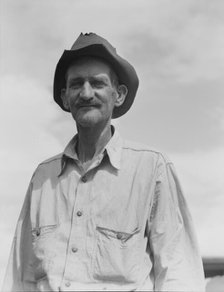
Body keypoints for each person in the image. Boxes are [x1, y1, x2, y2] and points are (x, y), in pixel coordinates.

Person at [2, 33, 205, 291]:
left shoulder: (152, 169)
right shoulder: (43, 178)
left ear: (118, 95)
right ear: (65, 97)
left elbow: (179, 272)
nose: (86, 93)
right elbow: (21, 278)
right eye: (76, 84)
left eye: (97, 83)